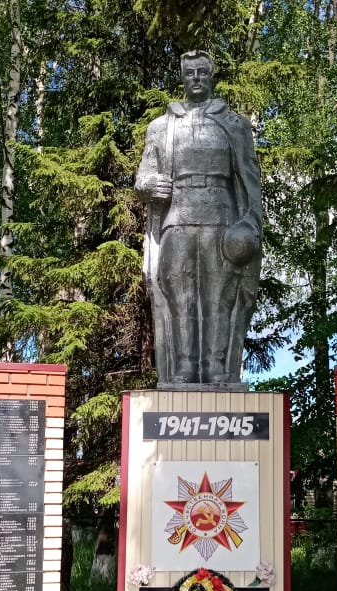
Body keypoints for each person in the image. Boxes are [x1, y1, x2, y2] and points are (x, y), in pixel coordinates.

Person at [136, 50, 263, 387]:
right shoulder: (161, 127)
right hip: (177, 217)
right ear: (182, 77)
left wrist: (251, 220)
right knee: (179, 295)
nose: (195, 78)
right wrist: (149, 186)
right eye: (189, 72)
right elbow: (143, 177)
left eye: (201, 72)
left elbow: (250, 179)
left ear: (211, 76)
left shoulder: (234, 124)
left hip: (222, 217)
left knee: (218, 296)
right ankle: (184, 368)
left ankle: (217, 366)